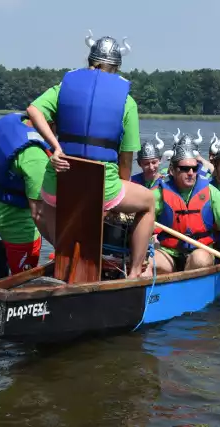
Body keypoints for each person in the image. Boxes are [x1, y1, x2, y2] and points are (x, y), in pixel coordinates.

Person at [25, 29, 154, 279]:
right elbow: (126, 158)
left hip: (59, 183)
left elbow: (33, 110)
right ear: (116, 67)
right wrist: (119, 195)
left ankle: (64, 256)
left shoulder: (63, 88)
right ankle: (135, 272)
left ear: (89, 62)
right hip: (101, 186)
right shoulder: (127, 102)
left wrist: (56, 147)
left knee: (41, 207)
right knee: (148, 202)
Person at [148, 144, 220, 273]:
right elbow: (143, 221)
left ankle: (184, 286)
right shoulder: (159, 193)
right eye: (185, 169)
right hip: (169, 253)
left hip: (201, 250)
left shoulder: (210, 191)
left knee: (200, 259)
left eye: (194, 168)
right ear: (172, 170)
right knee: (147, 262)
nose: (191, 173)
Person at [0, 113, 51, 278]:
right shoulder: (35, 158)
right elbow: (39, 214)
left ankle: (7, 249)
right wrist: (62, 246)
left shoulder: (9, 122)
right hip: (14, 219)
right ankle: (7, 293)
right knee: (23, 279)